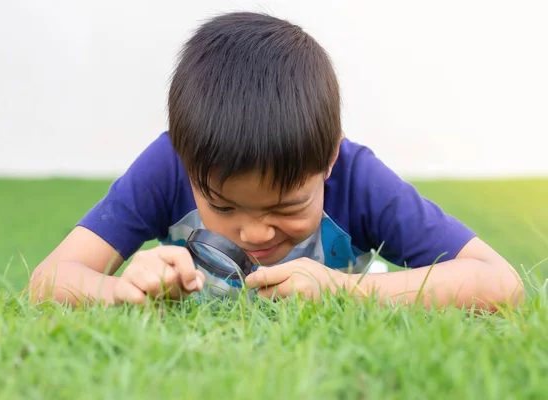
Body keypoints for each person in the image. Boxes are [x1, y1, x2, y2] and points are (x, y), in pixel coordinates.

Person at [29, 11, 524, 310]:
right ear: (187, 163)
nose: (256, 234)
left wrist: (345, 291)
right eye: (223, 207)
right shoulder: (170, 164)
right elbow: (50, 279)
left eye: (287, 207)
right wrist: (122, 291)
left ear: (329, 159)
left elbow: (500, 284)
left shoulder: (358, 179)